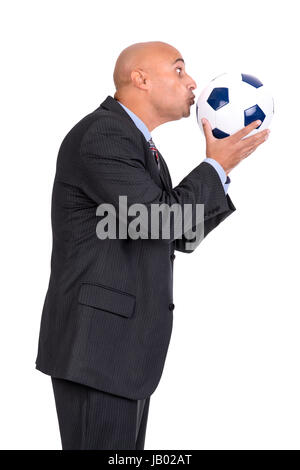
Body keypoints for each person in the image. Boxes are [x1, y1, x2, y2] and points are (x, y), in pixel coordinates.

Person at [35, 41, 270, 450]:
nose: (192, 82)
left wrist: (221, 171)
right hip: (99, 351)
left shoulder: (144, 148)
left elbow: (178, 235)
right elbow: (161, 219)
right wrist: (215, 167)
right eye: (179, 70)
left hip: (121, 352)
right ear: (139, 79)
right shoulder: (104, 134)